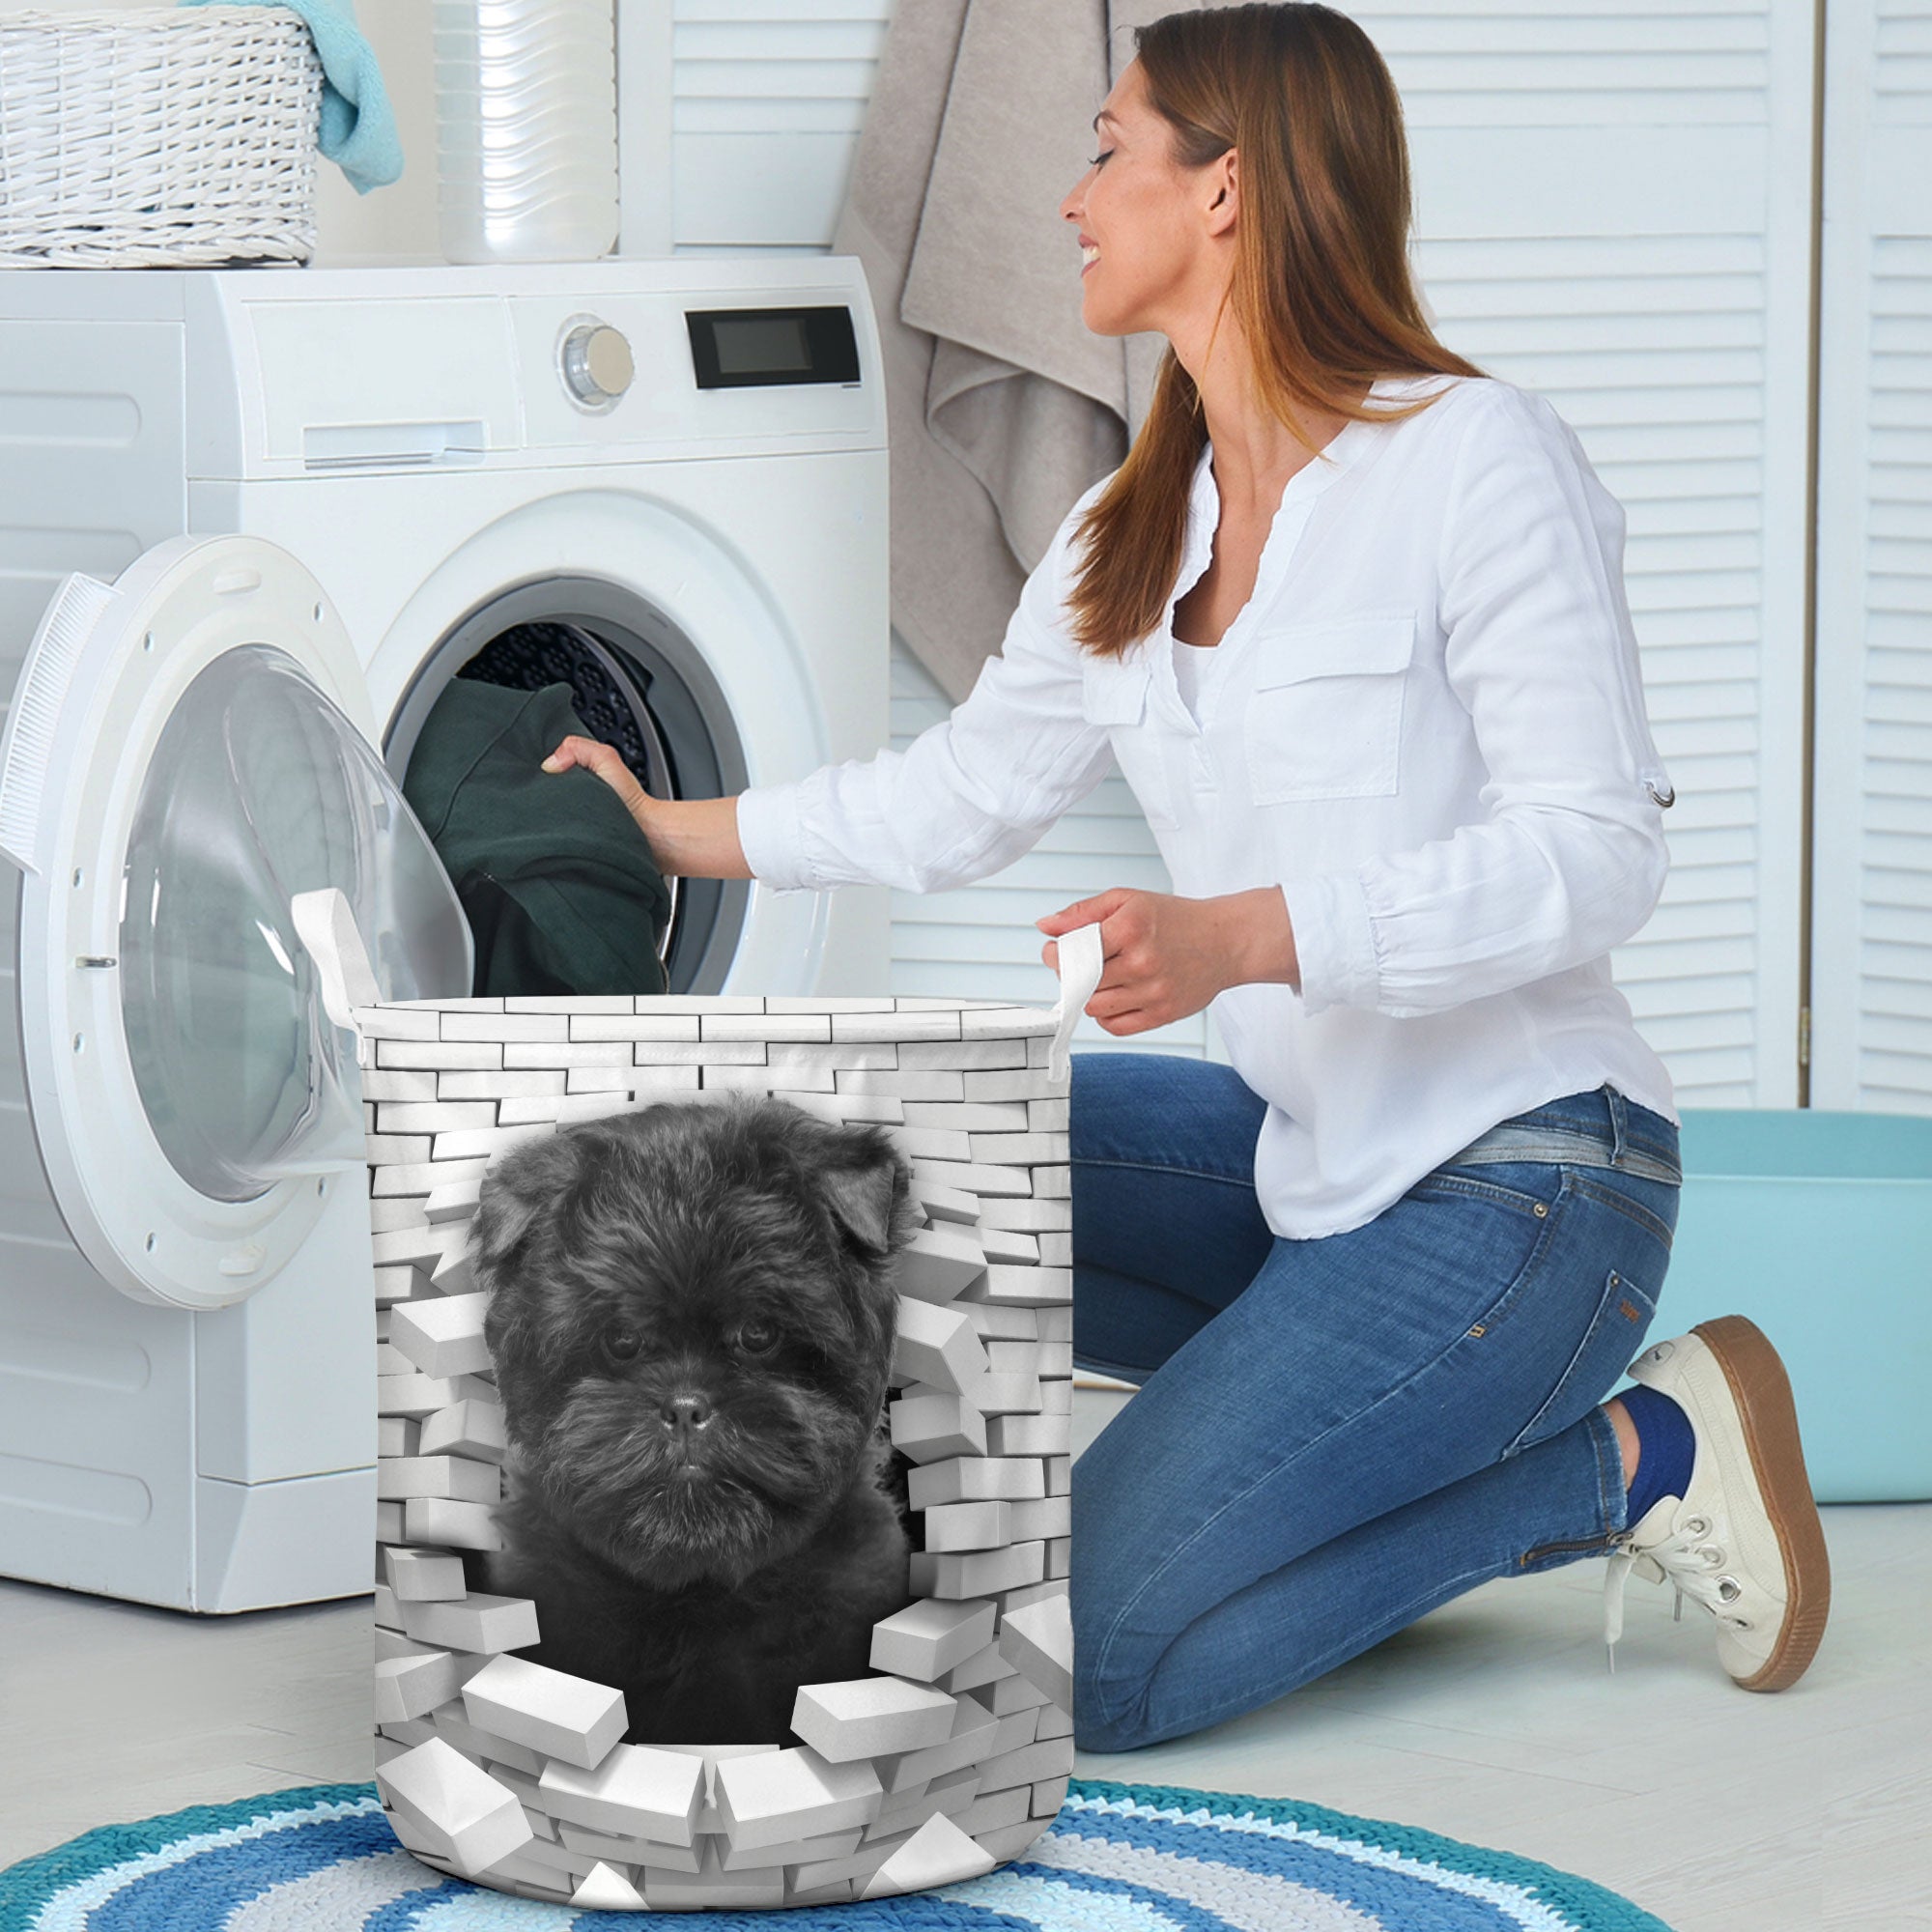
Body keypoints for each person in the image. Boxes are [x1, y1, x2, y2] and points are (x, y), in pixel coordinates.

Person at [541, 0, 1831, 1753]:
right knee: (877, 1169)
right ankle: (1130, 1481)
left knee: (1097, 1664)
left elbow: (1599, 857)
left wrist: (1249, 939)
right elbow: (963, 796)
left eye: (1107, 150)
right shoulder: (1129, 527)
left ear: (1225, 191)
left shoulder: (1472, 458)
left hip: (1528, 1186)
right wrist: (685, 826)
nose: (1070, 198)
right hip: (1313, 1171)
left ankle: (1633, 1462)